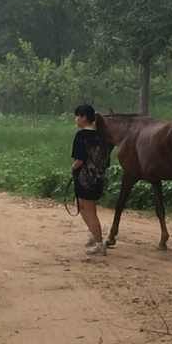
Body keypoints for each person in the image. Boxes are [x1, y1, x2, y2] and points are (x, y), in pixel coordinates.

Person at [71, 104, 110, 256]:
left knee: (90, 210)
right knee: (81, 206)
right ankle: (94, 235)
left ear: (84, 117)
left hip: (84, 178)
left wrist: (72, 168)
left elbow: (79, 160)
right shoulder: (102, 136)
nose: (76, 119)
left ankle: (99, 243)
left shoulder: (81, 136)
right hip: (98, 178)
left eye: (77, 116)